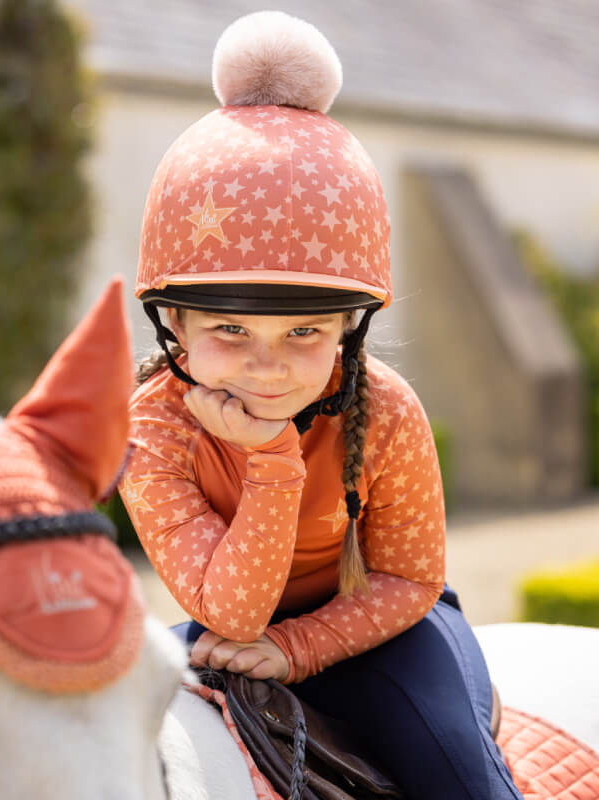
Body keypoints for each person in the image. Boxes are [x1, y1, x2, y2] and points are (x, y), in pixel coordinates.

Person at [118, 11, 522, 800]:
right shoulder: (154, 426)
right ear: (174, 323)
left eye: (304, 329)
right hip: (230, 631)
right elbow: (232, 613)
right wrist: (275, 455)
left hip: (387, 632)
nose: (267, 363)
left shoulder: (387, 409)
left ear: (348, 325)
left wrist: (298, 645)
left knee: (460, 777)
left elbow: (408, 578)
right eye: (229, 327)